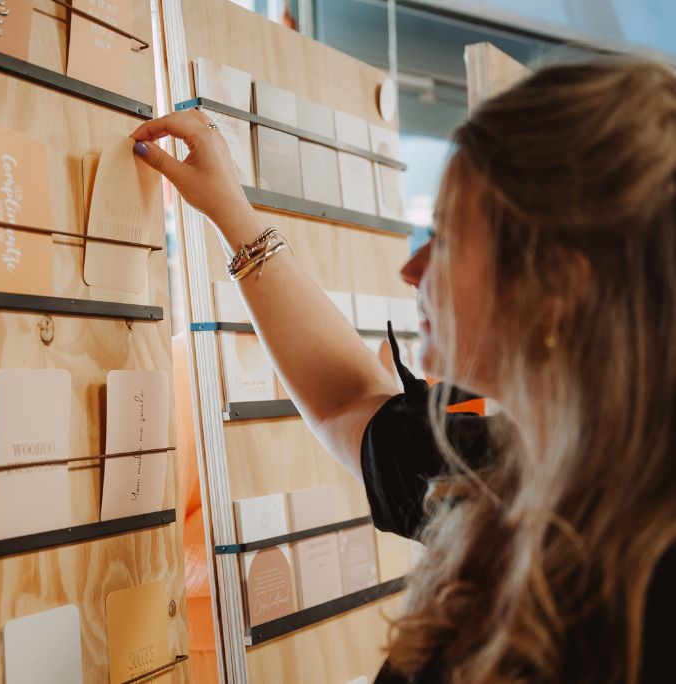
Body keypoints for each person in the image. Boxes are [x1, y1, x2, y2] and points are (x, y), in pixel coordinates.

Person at [131, 59, 676, 683]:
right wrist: (235, 217)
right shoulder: (507, 469)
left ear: (556, 283)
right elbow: (347, 399)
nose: (412, 269)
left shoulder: (645, 597)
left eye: (444, 236)